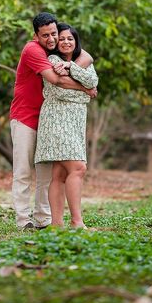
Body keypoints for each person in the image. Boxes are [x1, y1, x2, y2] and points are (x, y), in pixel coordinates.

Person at [10, 13, 97, 230]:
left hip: (48, 119)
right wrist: (85, 88)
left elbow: (85, 55)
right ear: (36, 35)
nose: (51, 39)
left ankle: (44, 219)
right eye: (45, 35)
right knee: (22, 171)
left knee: (47, 175)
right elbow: (55, 80)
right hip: (25, 117)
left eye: (54, 34)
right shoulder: (34, 50)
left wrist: (73, 67)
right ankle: (23, 220)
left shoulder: (57, 47)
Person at [35, 23, 98, 229]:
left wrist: (72, 68)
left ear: (76, 41)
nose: (65, 42)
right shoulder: (52, 60)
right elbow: (61, 89)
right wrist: (84, 91)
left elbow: (93, 81)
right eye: (61, 39)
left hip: (76, 121)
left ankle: (56, 224)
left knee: (60, 174)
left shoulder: (79, 63)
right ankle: (77, 221)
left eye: (69, 38)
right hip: (57, 119)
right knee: (78, 168)